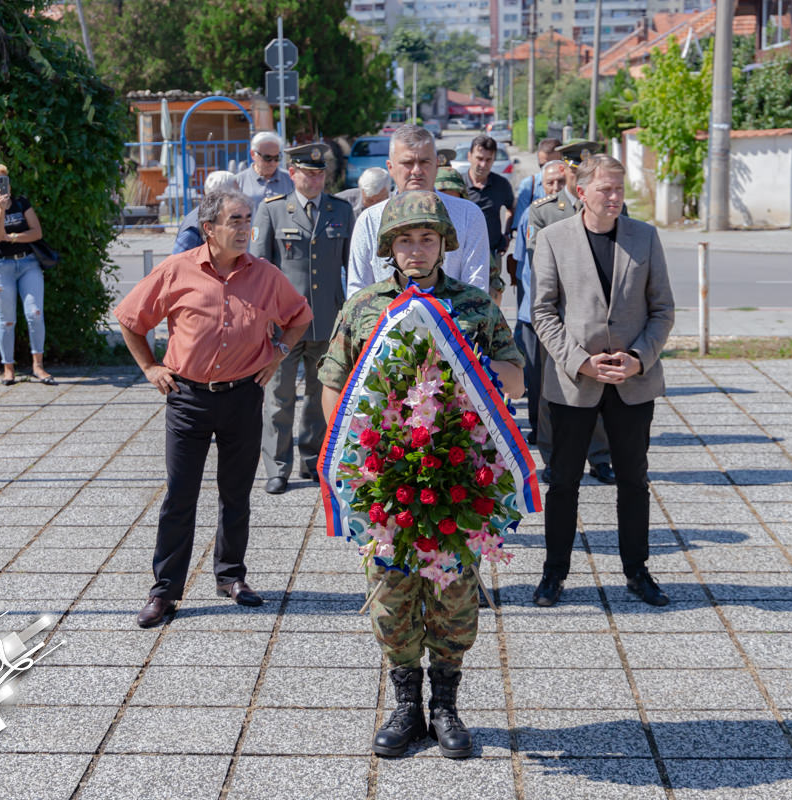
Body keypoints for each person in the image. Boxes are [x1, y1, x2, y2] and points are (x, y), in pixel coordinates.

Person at [319, 191, 524, 760]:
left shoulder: (474, 306)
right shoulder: (364, 308)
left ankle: (447, 704)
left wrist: (477, 374)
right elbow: (334, 385)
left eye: (427, 239)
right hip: (386, 477)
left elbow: (515, 377)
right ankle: (407, 703)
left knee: (455, 592)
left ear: (443, 244)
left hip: (459, 474)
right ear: (389, 247)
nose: (416, 249)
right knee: (390, 592)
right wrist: (348, 463)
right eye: (405, 240)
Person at [115, 189, 312, 626]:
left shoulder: (264, 275)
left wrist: (277, 352)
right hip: (187, 399)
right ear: (209, 228)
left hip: (243, 396)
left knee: (235, 493)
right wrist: (149, 367)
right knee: (180, 496)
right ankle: (165, 591)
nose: (245, 228)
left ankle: (231, 576)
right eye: (235, 220)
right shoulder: (176, 270)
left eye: (248, 220)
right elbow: (130, 318)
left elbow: (300, 315)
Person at [532, 154, 674, 609]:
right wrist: (580, 362)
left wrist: (638, 358)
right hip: (575, 382)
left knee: (633, 479)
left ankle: (637, 570)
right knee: (565, 481)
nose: (615, 198)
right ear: (581, 193)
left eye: (620, 189)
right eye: (606, 190)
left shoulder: (645, 237)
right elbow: (543, 312)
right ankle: (554, 573)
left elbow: (662, 309)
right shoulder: (554, 239)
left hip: (632, 381)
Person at [249, 142, 354, 495]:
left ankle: (313, 460)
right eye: (308, 174)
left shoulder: (341, 211)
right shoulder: (273, 211)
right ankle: (277, 467)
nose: (315, 180)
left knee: (317, 393)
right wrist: (262, 318)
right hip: (283, 324)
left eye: (320, 173)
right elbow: (259, 271)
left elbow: (350, 268)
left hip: (327, 320)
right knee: (279, 397)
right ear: (291, 174)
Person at [524, 142, 615, 486]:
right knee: (554, 392)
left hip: (601, 317)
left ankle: (601, 457)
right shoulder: (545, 212)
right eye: (578, 171)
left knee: (601, 387)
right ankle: (553, 456)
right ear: (566, 171)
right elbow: (540, 272)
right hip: (560, 318)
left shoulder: (613, 208)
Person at [346, 125, 489, 297]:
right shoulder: (370, 220)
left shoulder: (468, 215)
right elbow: (357, 294)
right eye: (407, 163)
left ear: (437, 164)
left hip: (455, 322)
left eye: (424, 162)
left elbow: (477, 291)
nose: (416, 171)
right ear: (390, 167)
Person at [0, 164, 56, 386]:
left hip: (28, 264)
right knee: (7, 320)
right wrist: (2, 210)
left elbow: (36, 232)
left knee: (35, 313)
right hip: (1, 269)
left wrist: (11, 238)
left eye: (5, 180)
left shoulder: (22, 203)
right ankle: (8, 368)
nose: (2, 185)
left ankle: (38, 366)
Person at [461, 134, 515, 300]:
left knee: (493, 297)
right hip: (462, 253)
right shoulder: (458, 185)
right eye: (479, 158)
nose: (483, 164)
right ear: (469, 156)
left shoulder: (501, 185)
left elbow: (511, 209)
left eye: (488, 160)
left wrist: (506, 235)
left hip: (491, 253)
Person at [507, 137, 562, 290]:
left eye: (552, 163)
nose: (546, 168)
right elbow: (522, 226)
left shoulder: (566, 187)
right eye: (542, 164)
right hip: (528, 267)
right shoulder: (529, 185)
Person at [172, 170, 237, 254]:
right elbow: (178, 261)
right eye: (237, 192)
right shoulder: (195, 226)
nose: (240, 197)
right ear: (224, 195)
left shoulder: (217, 217)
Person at [235, 131, 294, 211]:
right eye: (267, 158)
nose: (273, 163)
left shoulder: (291, 180)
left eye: (277, 158)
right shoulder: (238, 182)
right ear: (253, 154)